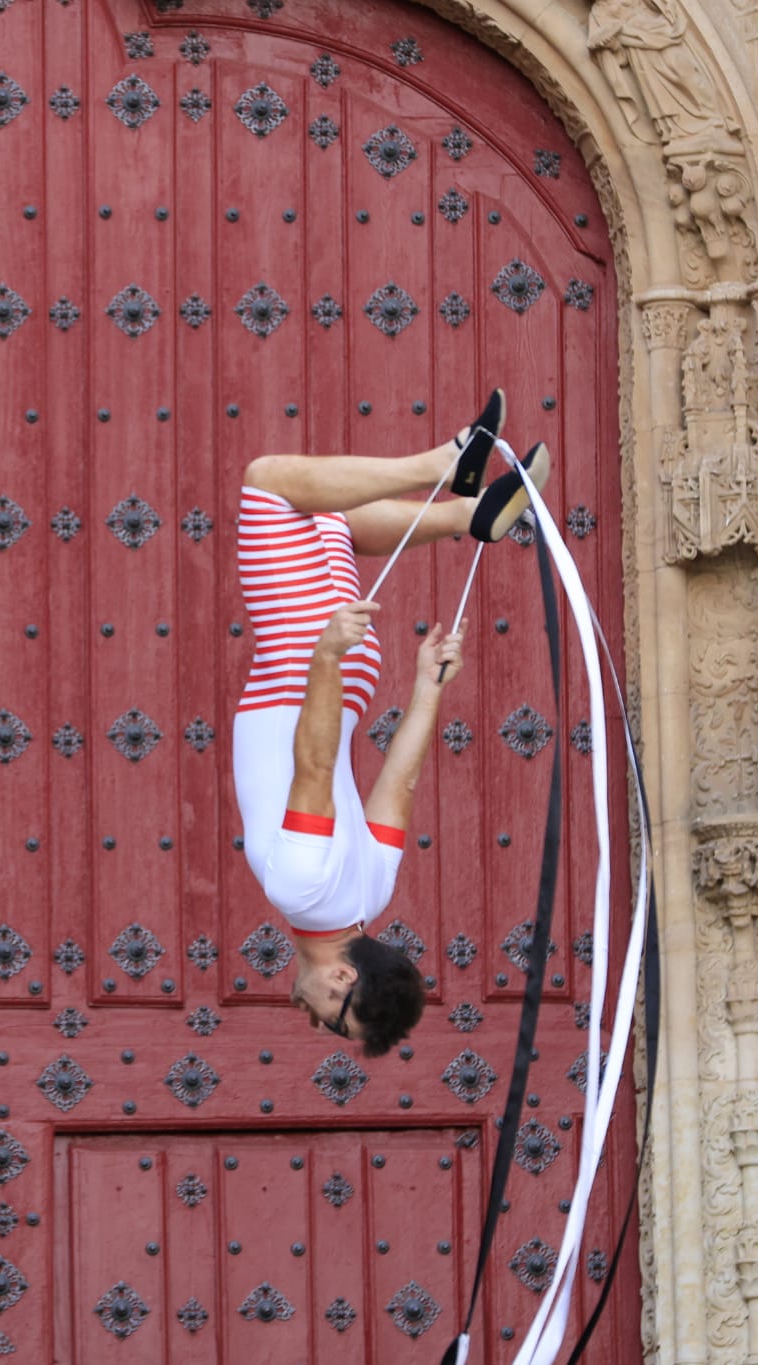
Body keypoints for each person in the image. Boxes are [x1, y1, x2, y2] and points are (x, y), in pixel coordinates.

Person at [232, 393, 542, 1053]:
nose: (313, 1017)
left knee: (329, 516)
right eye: (331, 1016)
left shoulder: (370, 893)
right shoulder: (302, 891)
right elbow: (313, 766)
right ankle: (446, 461)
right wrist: (323, 653)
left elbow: (398, 782)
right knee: (268, 485)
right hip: (303, 662)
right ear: (344, 976)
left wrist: (427, 686)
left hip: (349, 678)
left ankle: (468, 511)